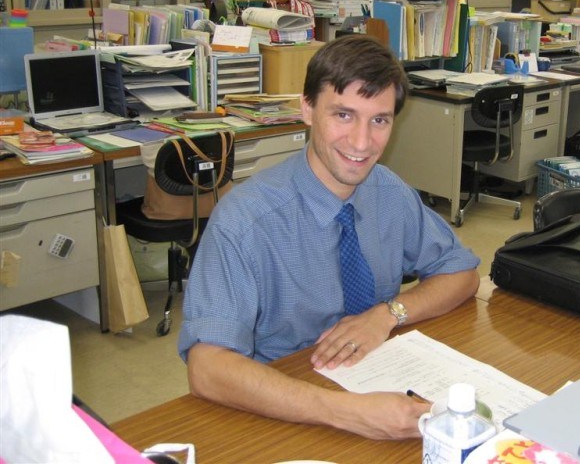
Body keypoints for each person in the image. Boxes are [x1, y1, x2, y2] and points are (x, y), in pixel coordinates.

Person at [178, 34, 480, 440]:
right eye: (343, 115)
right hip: (284, 406)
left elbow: (463, 274)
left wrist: (387, 315)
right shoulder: (245, 222)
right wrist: (345, 412)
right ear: (307, 109)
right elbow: (207, 366)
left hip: (376, 380)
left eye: (379, 120)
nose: (361, 142)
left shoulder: (388, 192)